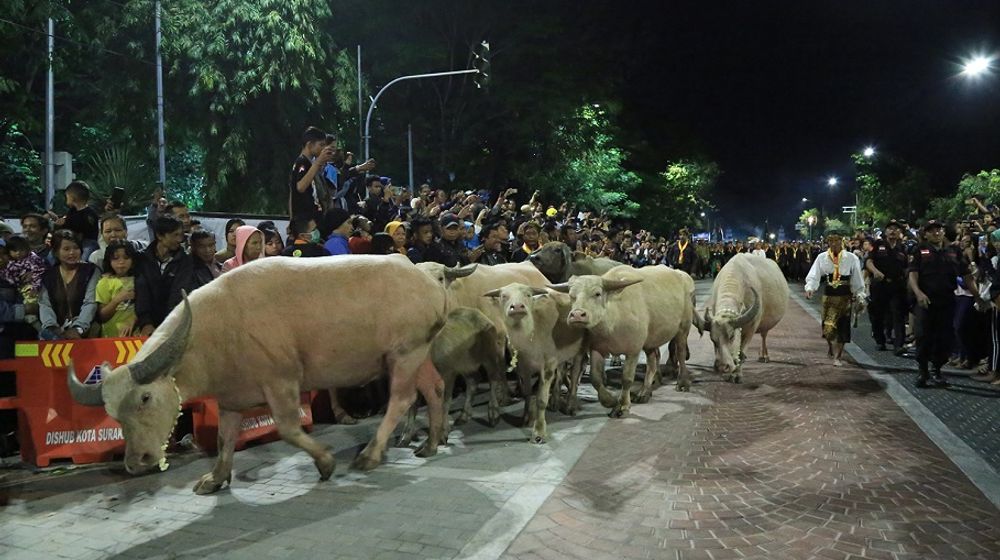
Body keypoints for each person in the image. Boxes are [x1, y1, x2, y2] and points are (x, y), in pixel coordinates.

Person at [908, 220, 979, 388]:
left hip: (947, 300)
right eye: (931, 230)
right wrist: (918, 293)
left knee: (944, 336)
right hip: (926, 300)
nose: (936, 233)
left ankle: (937, 370)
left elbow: (967, 274)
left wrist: (977, 296)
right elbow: (913, 274)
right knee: (923, 335)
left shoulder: (954, 251)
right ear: (925, 234)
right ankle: (923, 371)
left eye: (939, 230)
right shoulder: (920, 250)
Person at [805, 233, 867, 367]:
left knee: (843, 327)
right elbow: (814, 275)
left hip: (845, 295)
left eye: (837, 240)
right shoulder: (822, 257)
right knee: (827, 328)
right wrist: (810, 288)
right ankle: (830, 346)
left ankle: (838, 356)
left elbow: (856, 277)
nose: (834, 243)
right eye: (831, 241)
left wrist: (859, 293)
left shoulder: (851, 258)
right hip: (829, 295)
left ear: (842, 241)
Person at [135, 215, 193, 336]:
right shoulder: (142, 259)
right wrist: (145, 323)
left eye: (180, 235)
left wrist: (169, 324)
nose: (179, 240)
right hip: (146, 326)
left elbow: (178, 293)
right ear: (160, 236)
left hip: (173, 324)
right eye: (174, 235)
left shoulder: (185, 261)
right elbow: (141, 291)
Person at [38, 230, 99, 340]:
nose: (72, 252)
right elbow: (45, 305)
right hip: (56, 331)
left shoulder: (91, 271)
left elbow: (90, 302)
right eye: (66, 249)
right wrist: (51, 327)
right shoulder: (48, 275)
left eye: (76, 248)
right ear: (56, 252)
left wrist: (78, 328)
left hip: (85, 329)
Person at [866, 220, 910, 355]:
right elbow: (869, 261)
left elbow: (907, 267)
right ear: (885, 232)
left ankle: (899, 345)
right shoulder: (878, 245)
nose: (893, 231)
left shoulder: (902, 248)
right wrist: (875, 271)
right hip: (880, 285)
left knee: (898, 315)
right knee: (877, 314)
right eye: (890, 229)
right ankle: (880, 341)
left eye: (896, 229)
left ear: (900, 233)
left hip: (897, 286)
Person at [0, 235, 47, 330]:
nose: (0, 259)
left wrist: (34, 274)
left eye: (3, 254)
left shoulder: (26, 264)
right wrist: (26, 309)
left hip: (25, 331)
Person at [289, 126, 334, 222]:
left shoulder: (311, 164)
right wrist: (317, 163)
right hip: (305, 218)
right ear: (309, 145)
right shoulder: (302, 162)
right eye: (321, 145)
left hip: (315, 215)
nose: (323, 148)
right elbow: (300, 187)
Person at [96, 240, 139, 338]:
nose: (121, 262)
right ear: (109, 261)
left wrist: (134, 320)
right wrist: (117, 300)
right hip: (111, 336)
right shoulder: (104, 282)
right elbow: (102, 316)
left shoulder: (140, 280)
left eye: (126, 257)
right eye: (115, 258)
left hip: (136, 334)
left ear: (133, 261)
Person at [49, 181, 100, 259]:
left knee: (85, 253)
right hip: (71, 241)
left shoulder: (90, 214)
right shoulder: (72, 211)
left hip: (86, 242)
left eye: (67, 197)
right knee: (52, 254)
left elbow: (83, 231)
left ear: (72, 198)